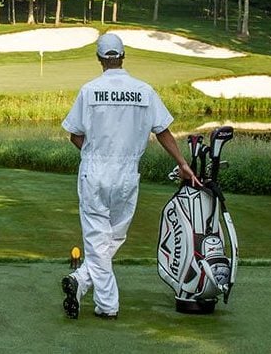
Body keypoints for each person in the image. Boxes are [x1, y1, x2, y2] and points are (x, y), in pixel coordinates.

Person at [60, 33, 200, 319]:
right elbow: (162, 131)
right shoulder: (144, 91)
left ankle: (93, 290)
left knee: (99, 238)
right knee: (114, 235)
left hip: (94, 171)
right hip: (127, 173)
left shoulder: (89, 90)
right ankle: (97, 295)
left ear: (99, 59)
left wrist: (93, 153)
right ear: (123, 56)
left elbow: (75, 135)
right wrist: (183, 164)